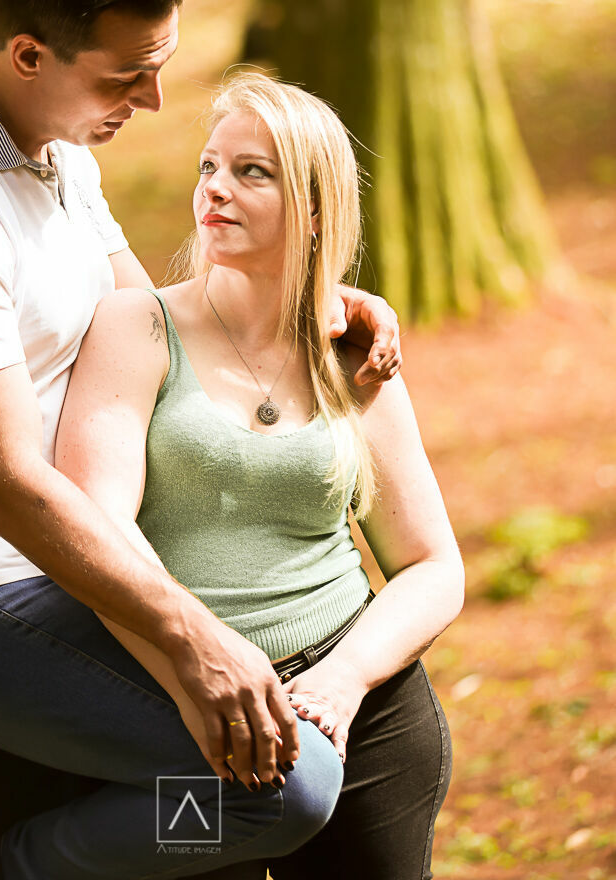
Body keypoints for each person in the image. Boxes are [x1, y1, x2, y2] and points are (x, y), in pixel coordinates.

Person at [0, 0, 404, 879]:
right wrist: (190, 632)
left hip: (85, 542)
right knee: (278, 790)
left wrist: (310, 304)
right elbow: (2, 481)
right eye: (127, 76)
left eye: (157, 64)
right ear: (31, 53)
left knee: (310, 727)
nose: (157, 100)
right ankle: (18, 863)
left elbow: (147, 312)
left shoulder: (50, 139)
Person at [54, 72, 465, 880]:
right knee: (185, 856)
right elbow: (95, 538)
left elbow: (433, 565)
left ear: (313, 208)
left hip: (366, 716)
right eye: (210, 166)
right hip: (187, 714)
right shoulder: (136, 328)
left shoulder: (353, 353)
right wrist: (194, 680)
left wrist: (343, 682)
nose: (216, 189)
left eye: (253, 172)